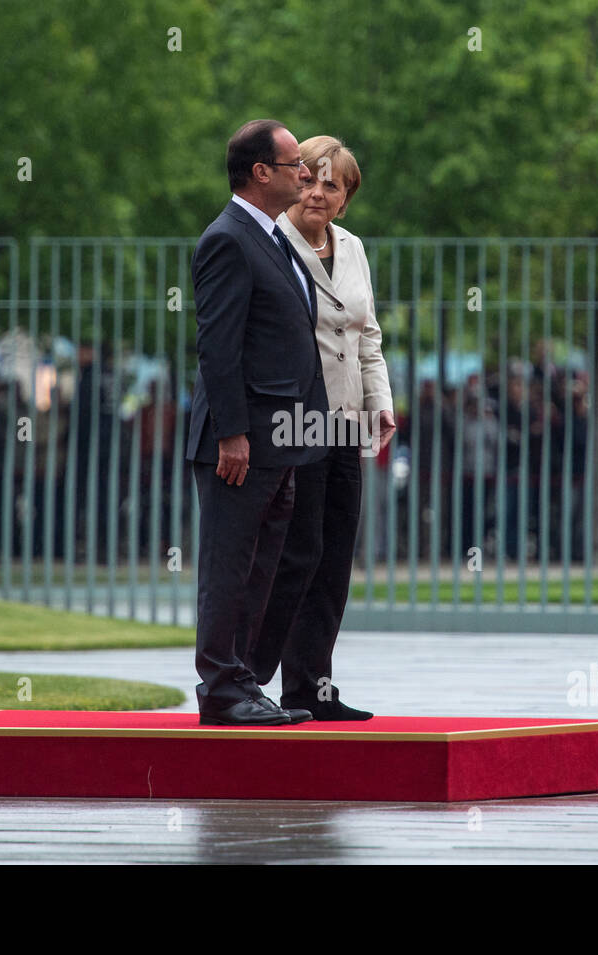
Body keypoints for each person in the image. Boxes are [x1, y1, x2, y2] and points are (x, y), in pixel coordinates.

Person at [186, 119, 329, 726]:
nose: (306, 172)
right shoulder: (228, 239)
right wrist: (232, 432)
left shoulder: (270, 238)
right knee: (230, 564)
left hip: (281, 439)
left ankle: (242, 683)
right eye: (295, 162)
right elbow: (219, 347)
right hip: (243, 441)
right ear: (260, 172)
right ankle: (220, 687)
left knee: (261, 566)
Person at [250, 135, 395, 721]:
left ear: (345, 198)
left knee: (334, 558)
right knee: (295, 554)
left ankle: (314, 689)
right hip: (295, 420)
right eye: (308, 178)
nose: (316, 191)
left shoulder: (354, 249)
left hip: (348, 420)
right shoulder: (270, 244)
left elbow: (368, 338)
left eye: (330, 184)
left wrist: (380, 403)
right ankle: (250, 679)